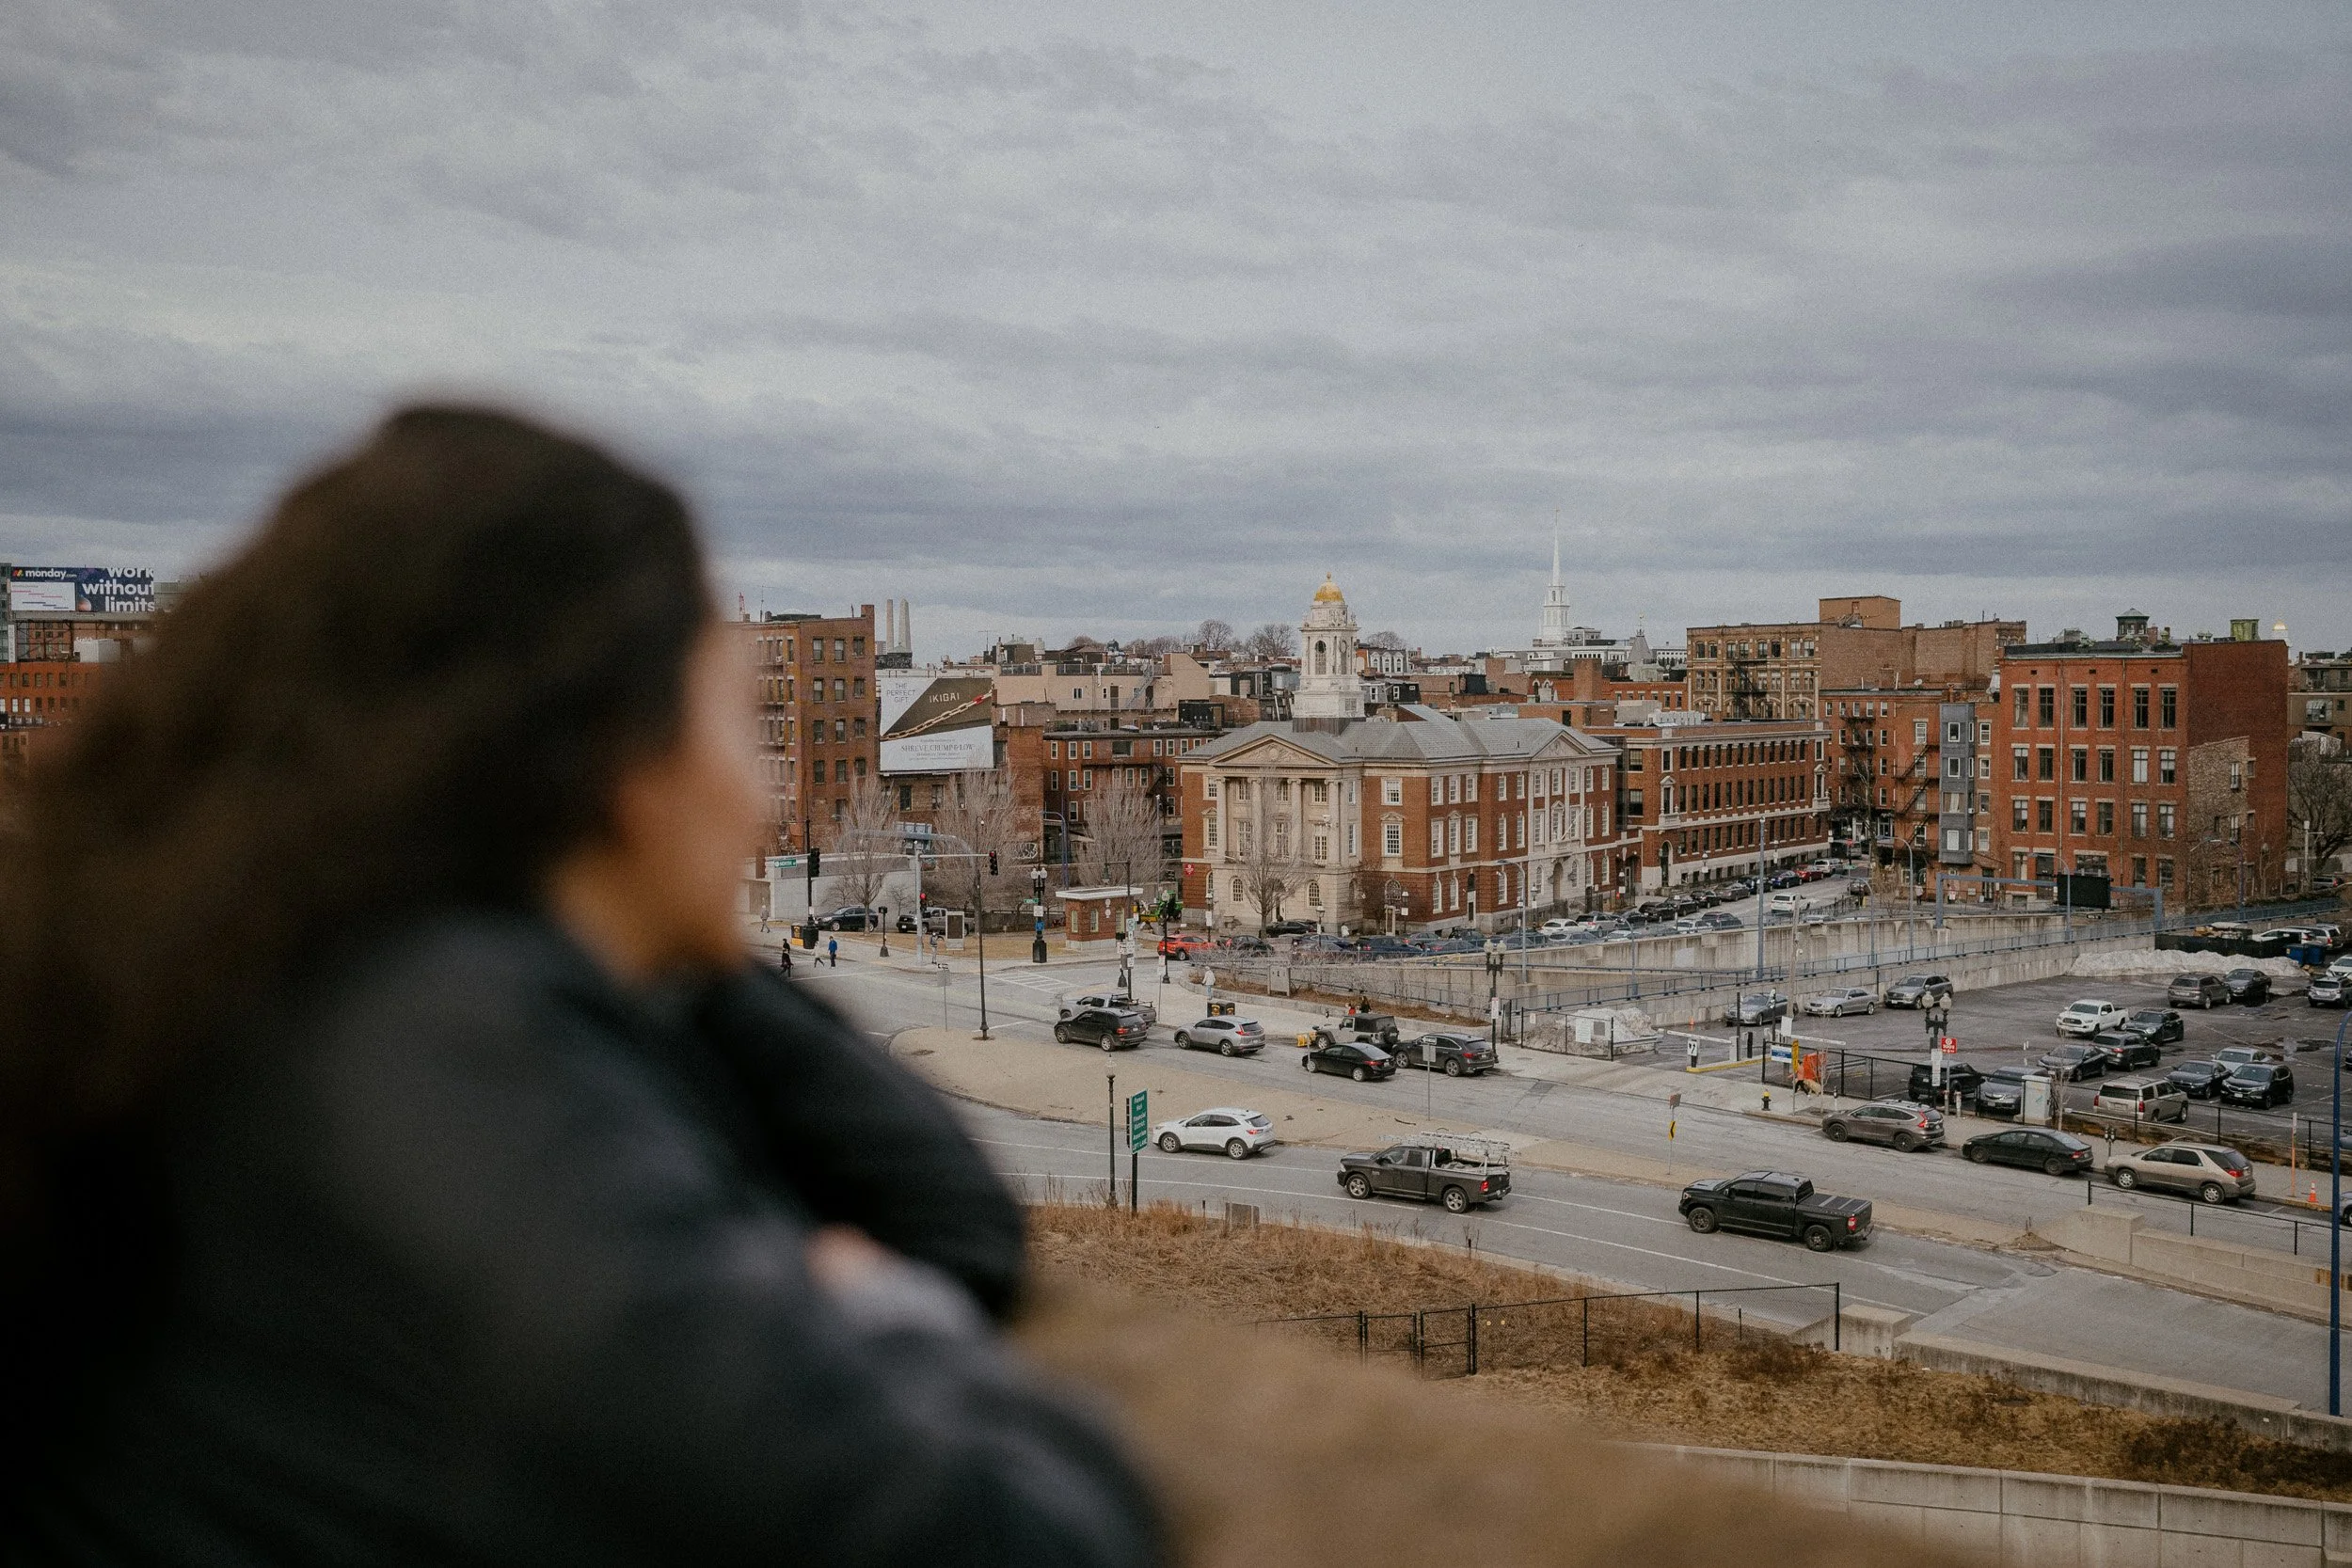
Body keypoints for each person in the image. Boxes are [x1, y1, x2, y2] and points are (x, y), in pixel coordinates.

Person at [0, 408, 1159, 1567]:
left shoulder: (310, 966)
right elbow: (1029, 1535)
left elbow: (951, 1228)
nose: (757, 795)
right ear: (622, 754)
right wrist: (870, 1318)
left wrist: (675, 938)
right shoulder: (435, 1051)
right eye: (731, 718)